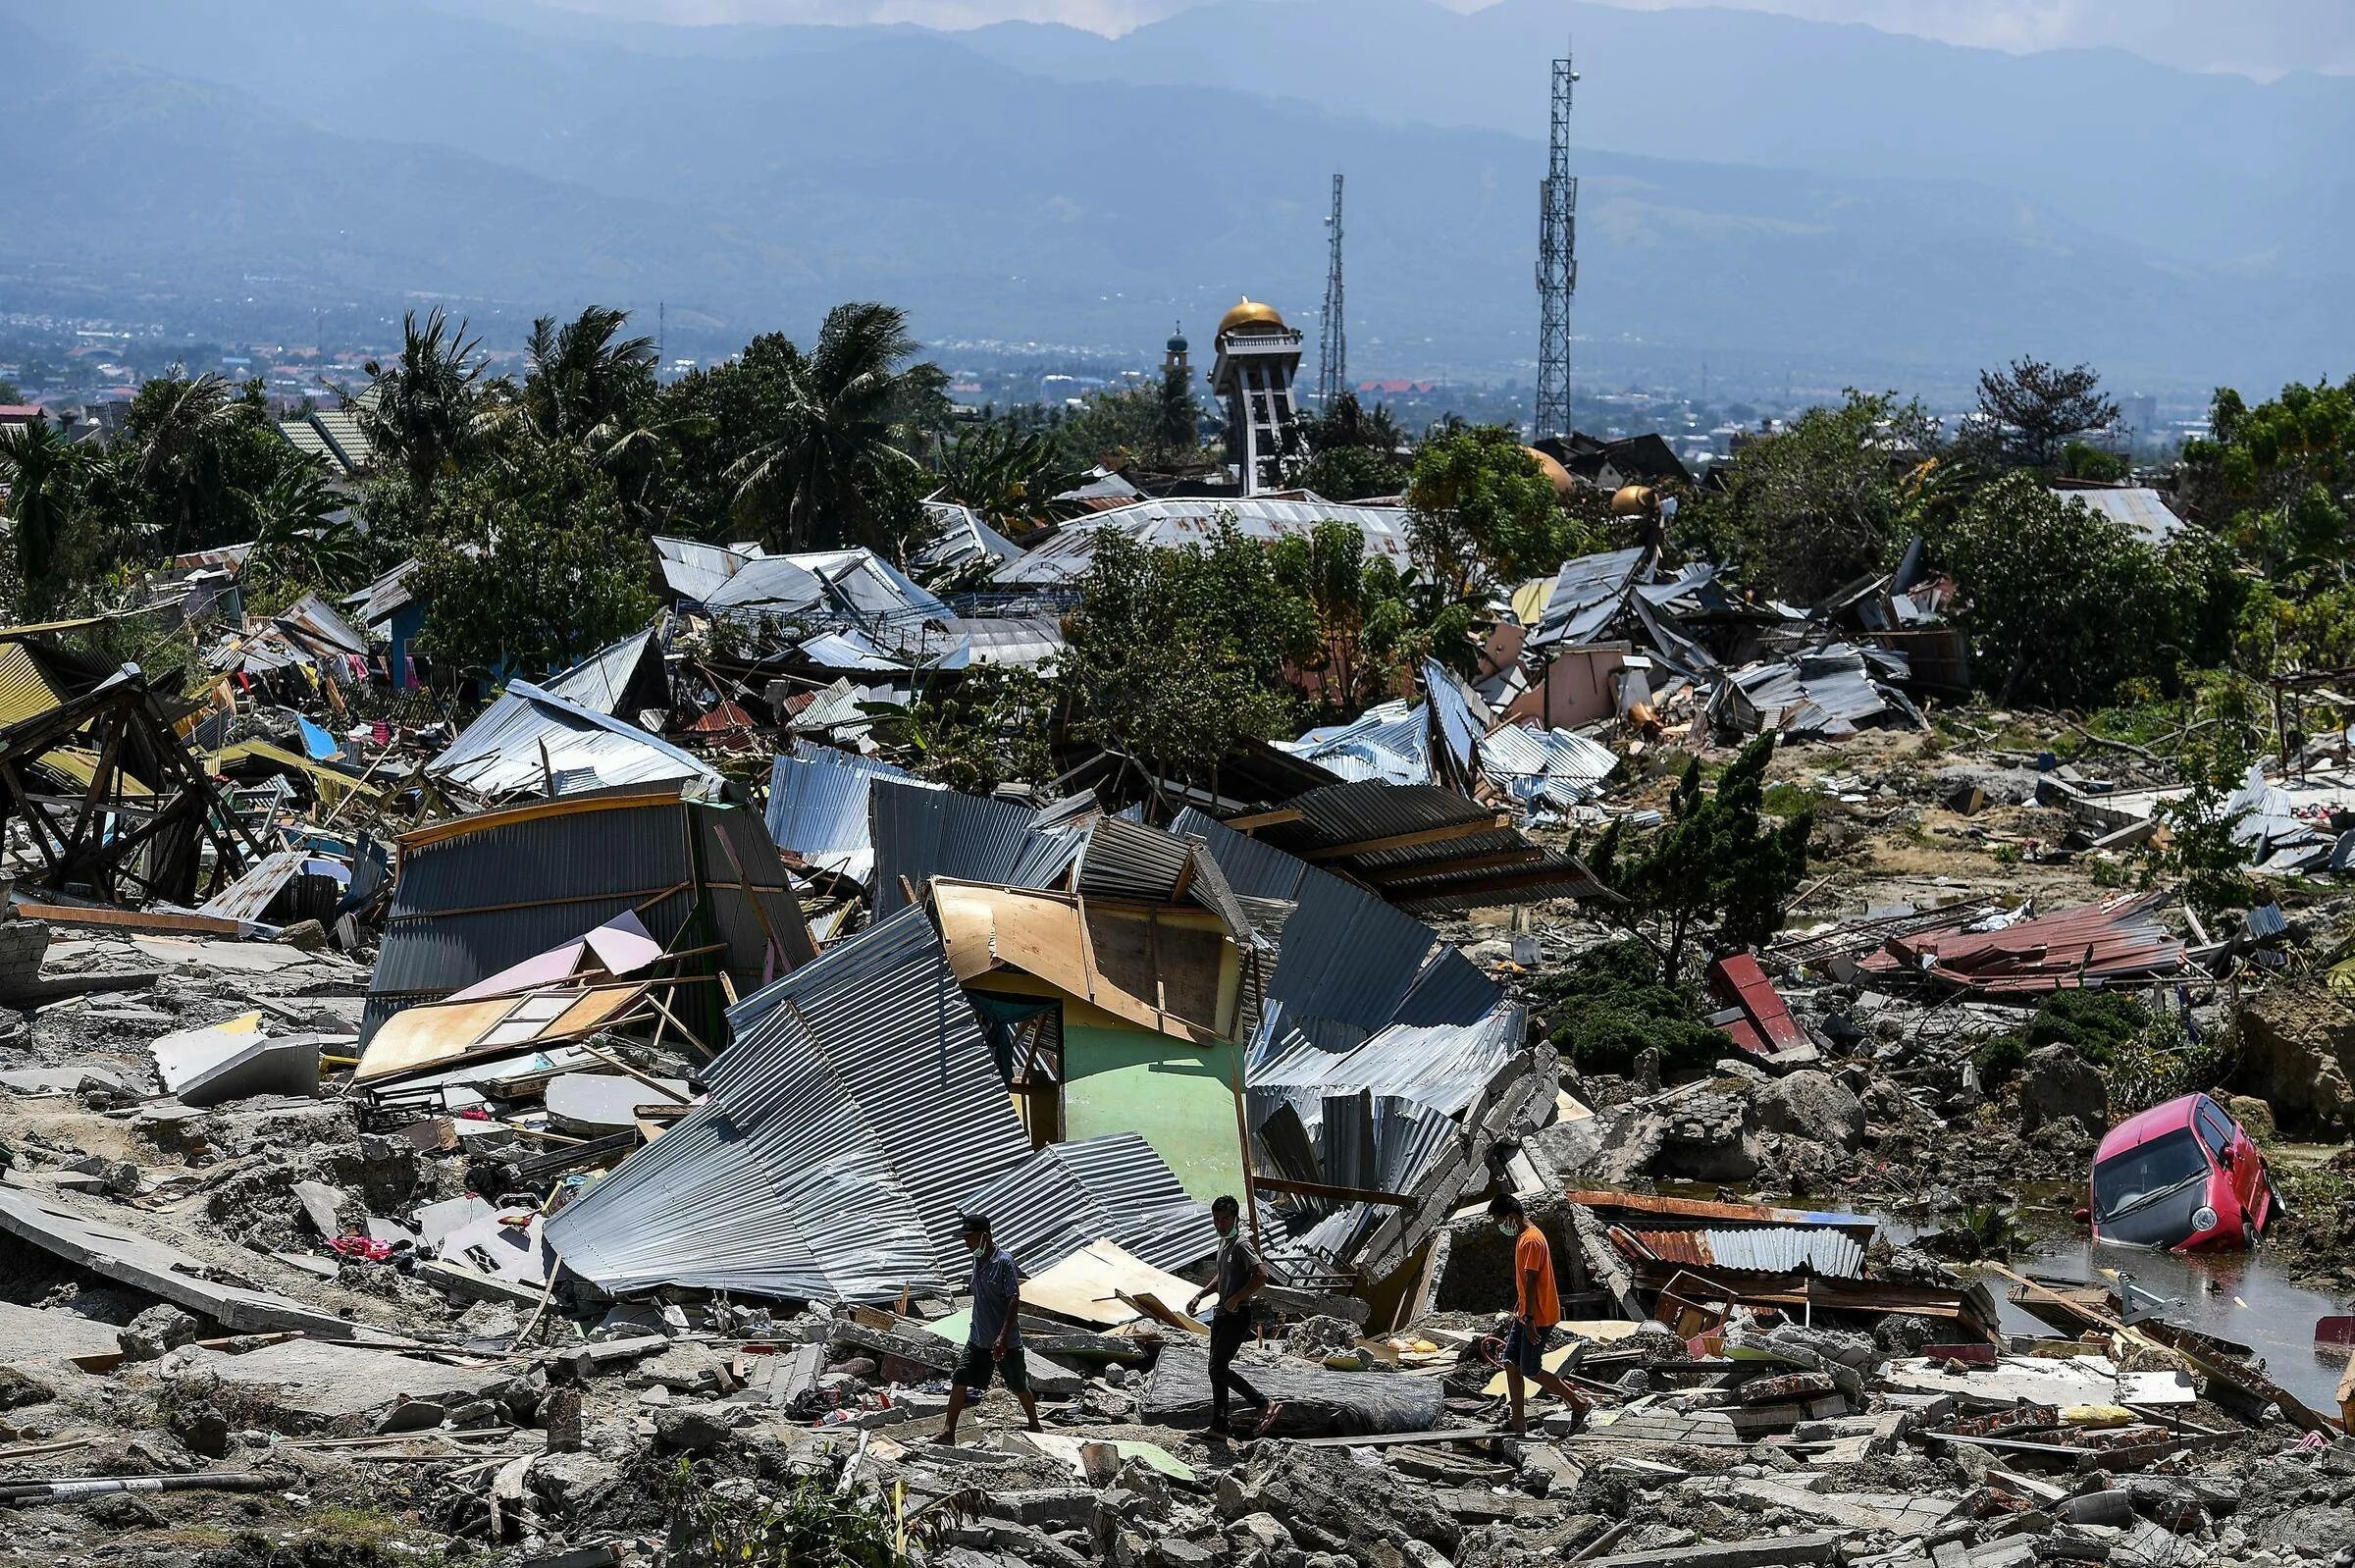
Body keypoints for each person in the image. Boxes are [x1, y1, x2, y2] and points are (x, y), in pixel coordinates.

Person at [933, 1214, 1041, 1446]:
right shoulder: (976, 1259)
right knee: (960, 1379)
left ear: (984, 1236)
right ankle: (948, 1431)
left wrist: (1002, 1336)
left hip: (1005, 1341)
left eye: (969, 1239)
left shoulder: (1004, 1262)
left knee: (1018, 1385)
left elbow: (1014, 1299)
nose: (966, 1244)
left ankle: (1035, 1423)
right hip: (978, 1337)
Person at [1489, 1193, 1590, 1437]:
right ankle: (1518, 1422)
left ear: (1511, 1216)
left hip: (1538, 1316)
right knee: (1511, 1363)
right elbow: (1526, 1282)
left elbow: (1533, 1280)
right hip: (1526, 1313)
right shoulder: (1525, 1237)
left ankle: (1579, 1403)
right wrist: (1521, 1308)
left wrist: (1530, 1320)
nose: (1498, 1226)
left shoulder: (1531, 1240)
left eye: (1499, 1220)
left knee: (1530, 1369)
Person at [1184, 1195, 1283, 1437]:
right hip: (1222, 1312)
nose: (1220, 1224)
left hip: (1238, 1315)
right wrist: (1201, 1295)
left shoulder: (1241, 1244)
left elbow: (1261, 1275)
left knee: (1218, 1367)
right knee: (1214, 1368)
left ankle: (1263, 1404)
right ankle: (1219, 1427)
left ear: (1235, 1218)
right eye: (1216, 1220)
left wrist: (1236, 1298)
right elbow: (1222, 1275)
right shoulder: (1224, 1243)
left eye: (1225, 1219)